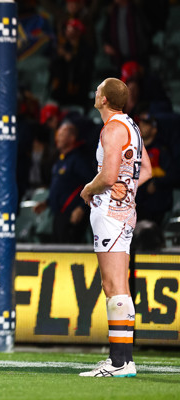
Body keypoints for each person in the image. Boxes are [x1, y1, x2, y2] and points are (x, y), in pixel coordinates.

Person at [79, 78, 152, 378]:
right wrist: (128, 190)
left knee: (113, 287)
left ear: (105, 100)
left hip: (109, 213)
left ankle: (119, 362)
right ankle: (124, 360)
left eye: (98, 91)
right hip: (125, 212)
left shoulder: (111, 129)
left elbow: (108, 177)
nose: (95, 94)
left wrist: (88, 189)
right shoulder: (132, 126)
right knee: (119, 286)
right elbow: (145, 170)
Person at [33, 122, 93, 243]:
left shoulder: (79, 160)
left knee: (69, 250)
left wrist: (82, 208)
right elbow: (59, 187)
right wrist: (46, 202)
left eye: (62, 135)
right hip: (58, 215)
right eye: (57, 135)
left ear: (72, 138)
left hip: (72, 216)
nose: (57, 138)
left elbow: (92, 185)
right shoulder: (61, 159)